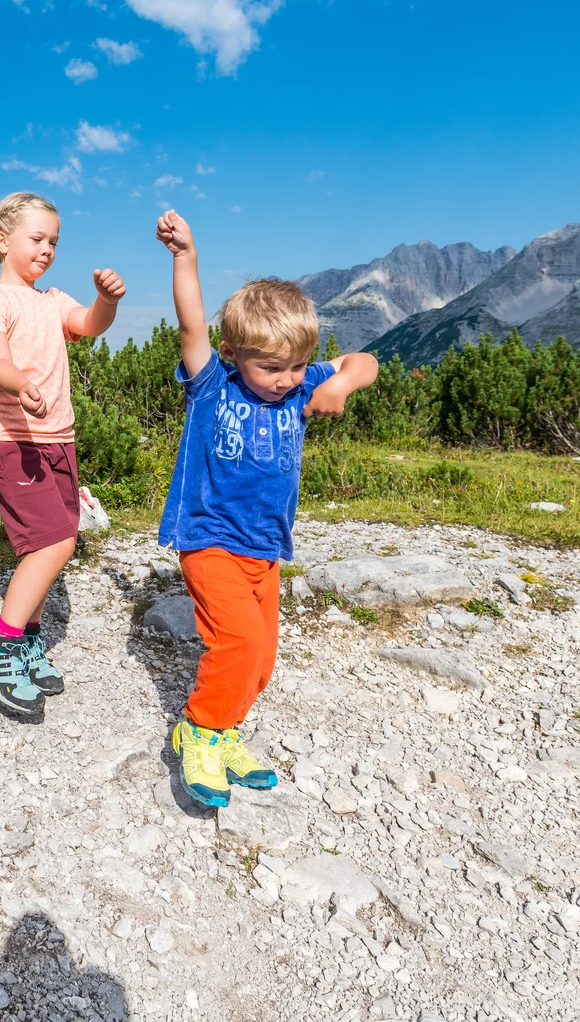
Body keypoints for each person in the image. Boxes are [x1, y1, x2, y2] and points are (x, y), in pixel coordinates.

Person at [153, 209, 379, 807]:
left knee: (261, 662)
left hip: (267, 547)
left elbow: (365, 362)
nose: (286, 380)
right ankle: (197, 731)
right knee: (240, 643)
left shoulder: (306, 384)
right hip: (211, 540)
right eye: (271, 367)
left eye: (297, 366)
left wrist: (338, 384)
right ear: (233, 353)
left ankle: (224, 730)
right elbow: (190, 323)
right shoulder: (213, 384)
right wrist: (185, 256)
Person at [0, 192, 124, 721]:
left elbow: (90, 324)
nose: (48, 249)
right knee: (57, 541)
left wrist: (108, 301)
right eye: (37, 238)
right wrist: (17, 384)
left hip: (58, 438)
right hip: (12, 438)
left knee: (48, 543)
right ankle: (0, 644)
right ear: (3, 241)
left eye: (54, 241)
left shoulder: (52, 299)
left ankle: (28, 637)